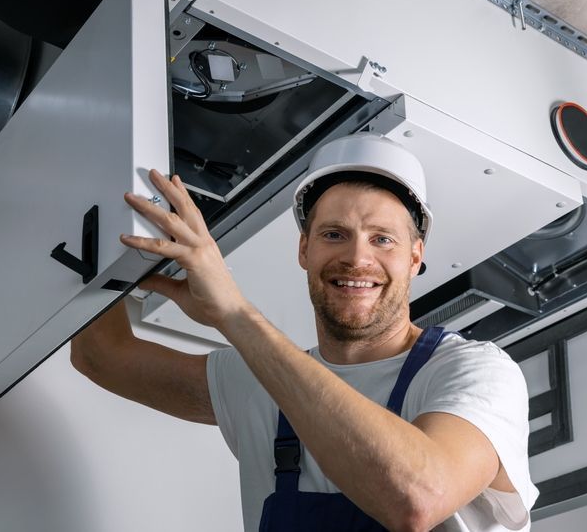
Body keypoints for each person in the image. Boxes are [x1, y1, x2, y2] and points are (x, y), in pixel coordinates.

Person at [71, 133, 538, 531]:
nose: (357, 258)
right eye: (334, 234)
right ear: (304, 249)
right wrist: (104, 228)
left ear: (415, 257)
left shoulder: (473, 371)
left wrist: (234, 314)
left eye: (382, 239)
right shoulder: (257, 381)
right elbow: (101, 354)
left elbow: (416, 497)